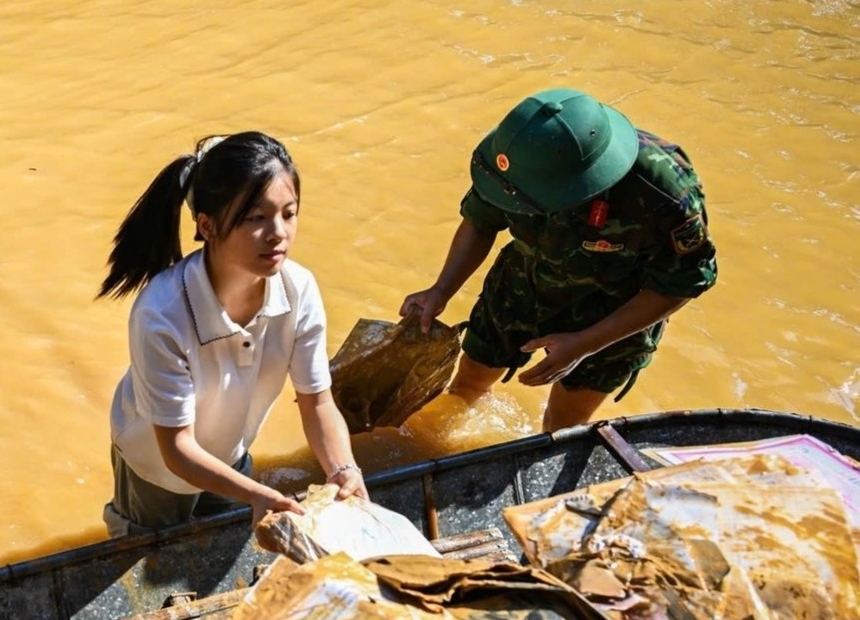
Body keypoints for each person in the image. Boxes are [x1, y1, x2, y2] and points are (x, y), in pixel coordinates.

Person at [400, 88, 717, 431]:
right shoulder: (515, 158)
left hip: (616, 309)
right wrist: (440, 289)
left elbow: (680, 283)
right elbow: (481, 221)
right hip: (523, 283)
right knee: (466, 389)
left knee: (564, 425)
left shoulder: (662, 190)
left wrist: (586, 343)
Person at [99, 132, 365, 536]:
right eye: (256, 218)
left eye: (289, 214)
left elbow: (317, 402)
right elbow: (176, 449)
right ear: (207, 225)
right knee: (149, 554)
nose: (278, 233)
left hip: (230, 450)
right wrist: (257, 494)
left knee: (225, 538)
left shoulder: (300, 290)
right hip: (156, 465)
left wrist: (344, 470)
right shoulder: (161, 314)